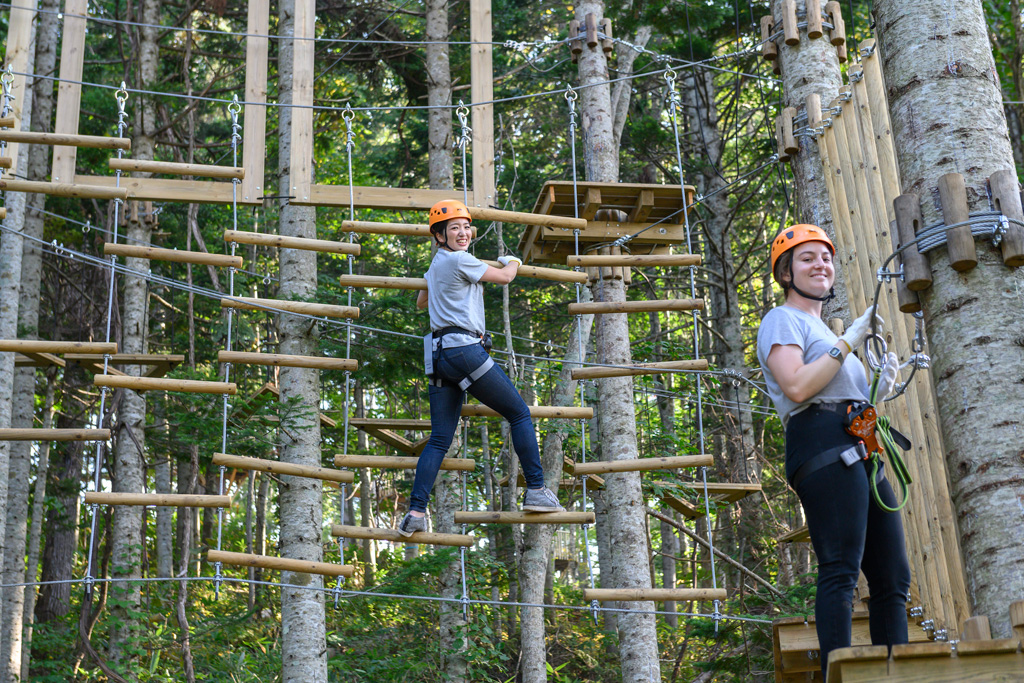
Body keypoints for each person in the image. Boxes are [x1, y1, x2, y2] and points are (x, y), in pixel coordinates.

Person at [756, 224, 910, 676]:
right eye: (807, 259)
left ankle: (895, 675)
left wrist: (879, 384)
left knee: (893, 577)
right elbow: (798, 386)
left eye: (825, 258)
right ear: (786, 273)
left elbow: (839, 389)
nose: (820, 265)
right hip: (821, 439)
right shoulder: (782, 319)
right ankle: (836, 676)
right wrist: (848, 342)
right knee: (841, 568)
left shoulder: (822, 331)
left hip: (859, 442)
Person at [397, 199, 563, 536]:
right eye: (454, 228)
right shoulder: (460, 260)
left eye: (466, 227)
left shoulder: (437, 264)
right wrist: (512, 260)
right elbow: (505, 277)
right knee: (519, 413)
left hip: (439, 356)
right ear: (439, 236)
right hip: (463, 350)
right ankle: (535, 489)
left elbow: (422, 301)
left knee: (439, 439)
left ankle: (415, 513)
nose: (463, 233)